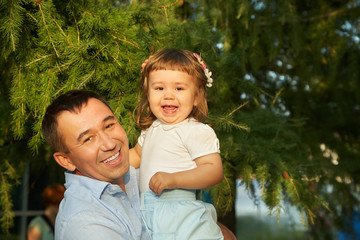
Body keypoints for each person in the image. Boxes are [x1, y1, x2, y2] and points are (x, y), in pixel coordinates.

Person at [130, 48, 224, 239]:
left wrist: (174, 179)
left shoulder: (195, 130)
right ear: (148, 95)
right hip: (146, 212)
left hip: (181, 215)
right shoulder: (150, 130)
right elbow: (136, 156)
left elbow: (213, 170)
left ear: (196, 97)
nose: (168, 95)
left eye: (179, 88)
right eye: (159, 88)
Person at [41, 89, 150, 240]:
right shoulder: (84, 222)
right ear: (66, 161)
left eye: (109, 125)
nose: (109, 144)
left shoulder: (141, 174)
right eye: (88, 139)